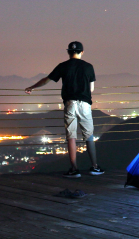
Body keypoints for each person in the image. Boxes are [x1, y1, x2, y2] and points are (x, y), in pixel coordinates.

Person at [24, 41, 103, 178]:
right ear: (82, 52)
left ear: (68, 52)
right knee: (88, 135)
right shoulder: (89, 67)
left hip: (70, 103)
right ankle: (94, 167)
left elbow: (46, 80)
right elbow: (91, 89)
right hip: (84, 103)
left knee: (71, 136)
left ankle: (74, 169)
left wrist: (32, 87)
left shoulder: (63, 66)